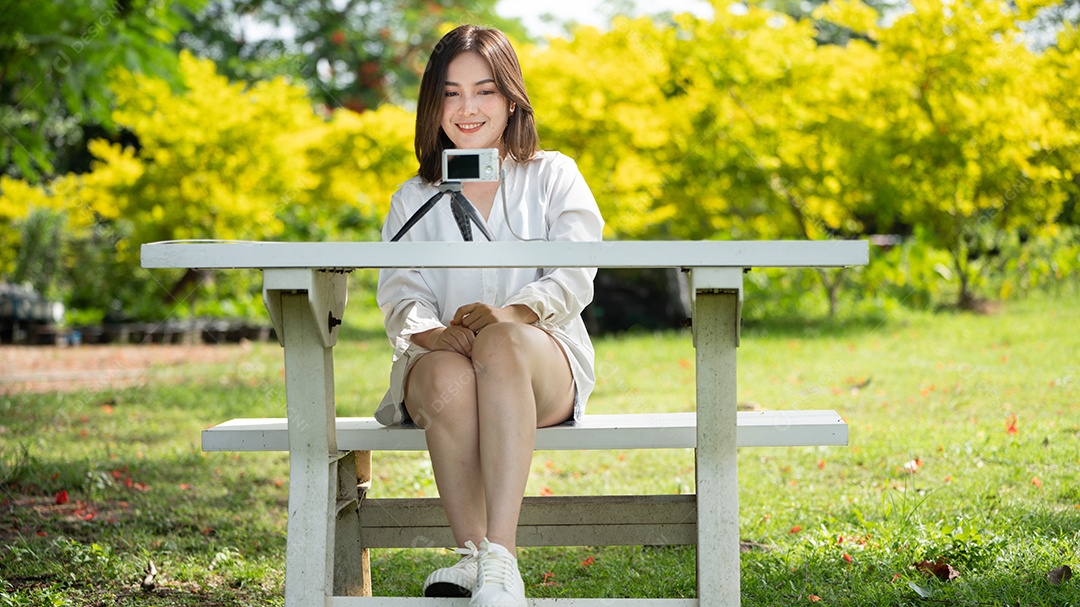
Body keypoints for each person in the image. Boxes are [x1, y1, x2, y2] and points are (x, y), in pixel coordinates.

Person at [375, 24, 603, 607]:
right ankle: (472, 557)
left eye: (484, 91)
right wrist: (438, 333)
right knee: (451, 373)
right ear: (433, 103)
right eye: (451, 93)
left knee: (499, 344)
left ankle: (501, 561)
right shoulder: (413, 196)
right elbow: (401, 294)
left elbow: (575, 273)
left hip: (538, 364)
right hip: (443, 361)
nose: (468, 108)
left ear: (510, 97)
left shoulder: (553, 174)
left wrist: (510, 313)